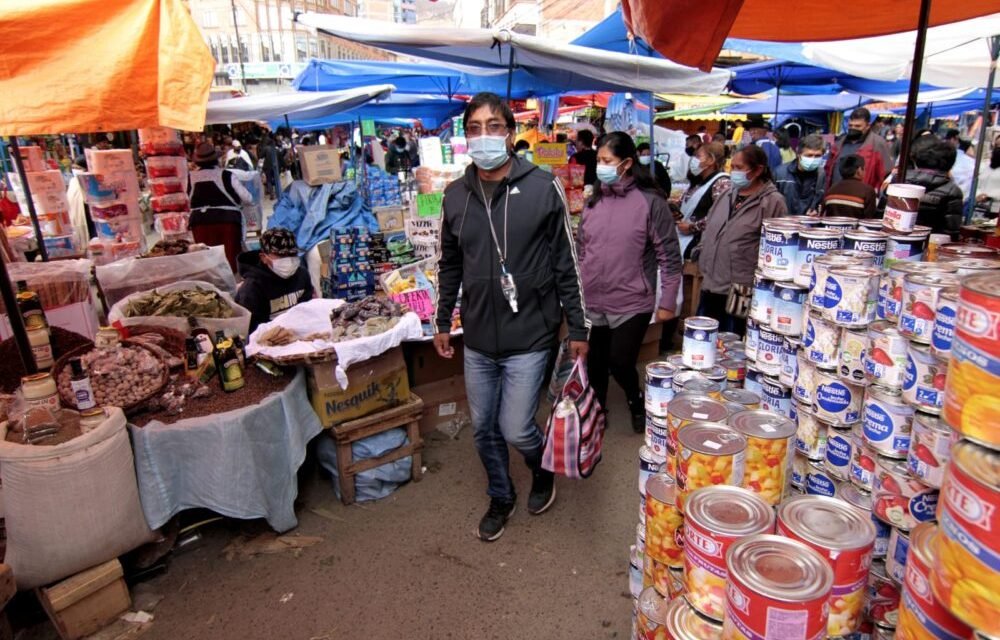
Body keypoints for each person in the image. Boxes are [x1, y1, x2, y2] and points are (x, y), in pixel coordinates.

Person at [433, 92, 589, 542]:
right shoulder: (455, 197)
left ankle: (542, 470)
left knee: (517, 426)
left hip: (531, 333)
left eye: (494, 127)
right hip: (479, 336)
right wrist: (442, 321)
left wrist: (578, 326)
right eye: (475, 128)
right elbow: (450, 264)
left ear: (511, 133)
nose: (484, 136)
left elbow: (567, 263)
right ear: (466, 137)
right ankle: (500, 496)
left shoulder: (543, 187)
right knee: (483, 429)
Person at [577, 132, 682, 432]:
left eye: (607, 161)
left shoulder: (651, 203)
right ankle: (598, 411)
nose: (601, 167)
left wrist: (667, 303)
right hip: (594, 298)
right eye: (598, 161)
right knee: (595, 363)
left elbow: (670, 257)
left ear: (626, 163)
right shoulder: (592, 202)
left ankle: (636, 400)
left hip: (632, 299)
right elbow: (582, 248)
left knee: (620, 361)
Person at [698, 145, 787, 336]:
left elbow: (777, 246)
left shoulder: (772, 202)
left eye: (740, 168)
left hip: (741, 288)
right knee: (707, 338)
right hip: (711, 282)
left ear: (757, 170)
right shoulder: (726, 195)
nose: (734, 172)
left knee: (731, 341)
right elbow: (710, 227)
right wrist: (702, 250)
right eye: (733, 167)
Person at [188, 141, 253, 272]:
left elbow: (186, 200)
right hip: (227, 222)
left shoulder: (190, 178)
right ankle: (233, 286)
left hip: (200, 223)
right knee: (230, 258)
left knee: (207, 260)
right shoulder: (226, 175)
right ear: (216, 159)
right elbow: (247, 198)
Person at [235, 228, 314, 333]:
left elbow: (307, 310)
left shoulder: (302, 275)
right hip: (267, 338)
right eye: (281, 255)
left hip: (299, 332)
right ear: (264, 257)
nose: (288, 260)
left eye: (292, 254)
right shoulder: (252, 287)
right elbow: (251, 330)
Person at [675, 142, 731, 261]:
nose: (693, 161)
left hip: (700, 244)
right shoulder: (699, 182)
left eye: (698, 156)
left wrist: (692, 227)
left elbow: (721, 216)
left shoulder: (722, 183)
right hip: (683, 240)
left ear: (711, 160)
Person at [903, 134, 964, 237]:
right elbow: (951, 232)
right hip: (933, 244)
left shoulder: (899, 180)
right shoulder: (952, 191)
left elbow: (880, 217)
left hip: (896, 241)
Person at [826, 107, 893, 191]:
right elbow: (828, 169)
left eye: (858, 126)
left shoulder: (878, 144)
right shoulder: (839, 142)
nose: (853, 128)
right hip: (835, 194)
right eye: (850, 125)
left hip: (861, 195)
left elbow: (885, 174)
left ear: (867, 126)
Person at [774, 134, 826, 216]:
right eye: (809, 155)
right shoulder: (780, 173)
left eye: (817, 156)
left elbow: (819, 200)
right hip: (783, 224)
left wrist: (815, 211)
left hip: (807, 225)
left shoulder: (821, 174)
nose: (813, 159)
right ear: (798, 153)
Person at [65, 155, 92, 251]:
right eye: (73, 168)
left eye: (78, 168)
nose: (75, 170)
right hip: (75, 217)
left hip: (88, 217)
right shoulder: (73, 182)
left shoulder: (89, 181)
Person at [949, 138, 975, 203]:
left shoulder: (950, 156)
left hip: (949, 192)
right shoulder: (972, 162)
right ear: (969, 148)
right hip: (963, 197)